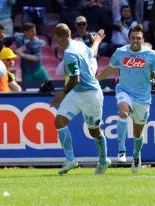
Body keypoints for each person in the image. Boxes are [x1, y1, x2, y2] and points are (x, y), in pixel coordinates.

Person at [96, 24, 155, 172]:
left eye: (138, 38)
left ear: (143, 39)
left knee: (137, 133)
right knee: (123, 112)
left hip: (143, 98)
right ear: (129, 39)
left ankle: (136, 154)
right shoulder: (120, 52)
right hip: (124, 90)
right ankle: (121, 149)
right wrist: (97, 79)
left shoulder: (151, 55)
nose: (135, 41)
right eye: (133, 38)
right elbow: (111, 68)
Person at [50, 23, 111, 175]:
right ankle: (71, 160)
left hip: (91, 93)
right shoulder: (79, 44)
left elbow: (75, 79)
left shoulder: (69, 53)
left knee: (94, 131)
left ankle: (103, 161)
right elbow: (92, 53)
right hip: (77, 93)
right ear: (69, 33)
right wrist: (97, 41)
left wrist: (61, 95)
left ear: (57, 38)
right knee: (59, 121)